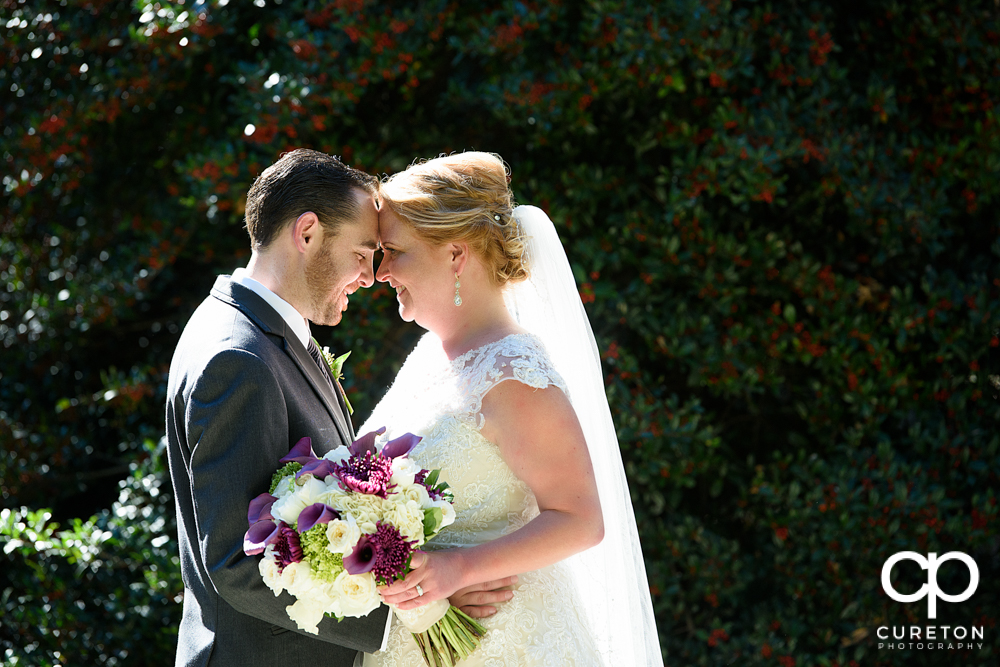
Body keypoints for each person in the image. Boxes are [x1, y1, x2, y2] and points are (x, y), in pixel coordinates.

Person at [360, 152, 662, 666]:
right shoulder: (432, 352)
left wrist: (460, 570)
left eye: (394, 251)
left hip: (503, 643)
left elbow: (581, 518)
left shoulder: (514, 373)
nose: (380, 270)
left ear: (456, 254)